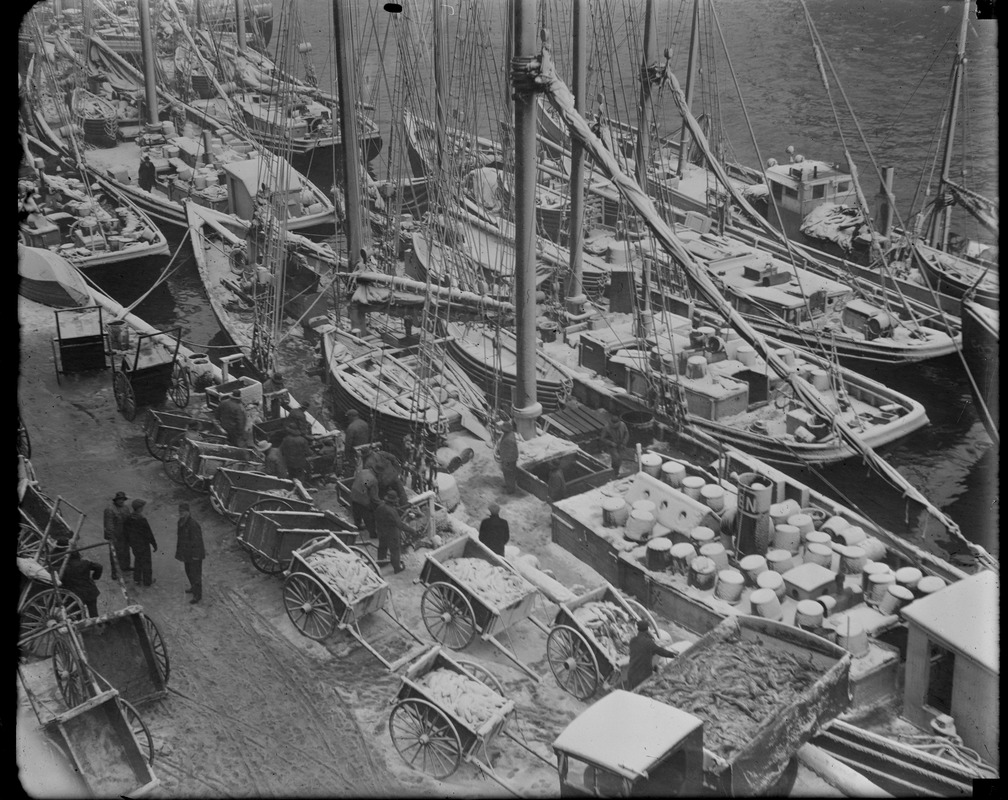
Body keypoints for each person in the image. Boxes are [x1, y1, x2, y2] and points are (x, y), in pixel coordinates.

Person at [375, 489, 416, 574]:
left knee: (382, 546)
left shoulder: (380, 507)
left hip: (381, 531)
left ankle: (381, 562)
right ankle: (397, 568)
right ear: (393, 501)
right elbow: (400, 524)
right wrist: (411, 530)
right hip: (391, 533)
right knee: (395, 550)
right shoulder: (392, 511)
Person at [627, 619, 677, 689]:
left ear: (638, 629)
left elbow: (641, 652)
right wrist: (673, 655)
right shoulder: (649, 643)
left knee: (631, 693)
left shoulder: (633, 641)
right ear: (647, 630)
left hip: (631, 674)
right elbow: (660, 651)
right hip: (642, 676)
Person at [175, 502, 205, 604]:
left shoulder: (193, 525)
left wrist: (196, 555)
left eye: (183, 511)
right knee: (188, 572)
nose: (181, 513)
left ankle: (197, 595)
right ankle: (193, 588)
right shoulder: (181, 522)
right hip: (186, 553)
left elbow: (198, 541)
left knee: (195, 574)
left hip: (194, 555)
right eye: (180, 511)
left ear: (188, 512)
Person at [124, 499, 158, 588]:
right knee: (147, 563)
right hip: (143, 545)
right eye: (142, 507)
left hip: (134, 545)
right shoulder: (142, 519)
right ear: (139, 508)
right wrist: (154, 544)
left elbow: (126, 531)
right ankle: (147, 581)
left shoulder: (129, 517)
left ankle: (137, 579)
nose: (143, 508)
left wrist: (129, 542)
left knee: (138, 561)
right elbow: (148, 533)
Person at [62, 550, 103, 617]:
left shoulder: (65, 568)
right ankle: (97, 625)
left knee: (79, 614)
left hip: (75, 595)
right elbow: (99, 567)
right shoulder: (85, 563)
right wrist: (95, 577)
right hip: (89, 591)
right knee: (94, 613)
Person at [103, 491, 132, 578]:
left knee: (126, 551)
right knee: (114, 554)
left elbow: (129, 520)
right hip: (115, 535)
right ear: (116, 500)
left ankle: (126, 567)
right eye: (119, 499)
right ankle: (114, 572)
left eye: (123, 499)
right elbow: (109, 525)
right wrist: (111, 537)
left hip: (124, 534)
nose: (121, 501)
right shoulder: (109, 510)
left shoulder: (126, 508)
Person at [350, 465, 379, 538]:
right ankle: (373, 534)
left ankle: (357, 527)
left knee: (356, 513)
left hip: (354, 495)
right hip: (363, 500)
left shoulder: (363, 471)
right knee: (369, 517)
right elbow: (374, 497)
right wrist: (381, 503)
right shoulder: (374, 480)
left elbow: (362, 482)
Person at [598, 414, 629, 479]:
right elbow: (602, 438)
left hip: (621, 445)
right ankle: (613, 472)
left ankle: (616, 472)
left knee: (620, 459)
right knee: (616, 458)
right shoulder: (606, 427)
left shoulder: (623, 425)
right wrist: (611, 443)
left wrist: (624, 442)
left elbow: (626, 434)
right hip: (612, 446)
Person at [498, 421, 519, 494]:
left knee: (509, 474)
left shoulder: (510, 439)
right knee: (506, 473)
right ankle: (508, 485)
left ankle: (510, 490)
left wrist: (507, 461)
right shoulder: (508, 434)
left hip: (509, 460)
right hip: (506, 457)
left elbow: (512, 452)